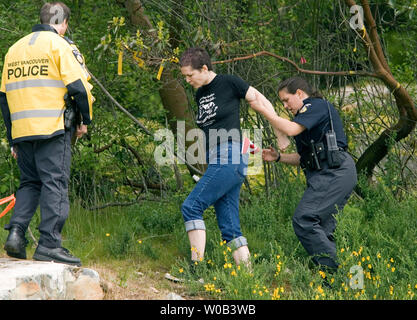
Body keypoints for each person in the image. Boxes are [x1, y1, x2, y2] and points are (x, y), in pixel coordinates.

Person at [0, 2, 94, 266]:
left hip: (22, 131)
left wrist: (12, 138)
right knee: (55, 182)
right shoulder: (60, 46)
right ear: (63, 23)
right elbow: (79, 87)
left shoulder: (14, 49)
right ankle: (50, 244)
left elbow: (4, 98)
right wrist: (85, 120)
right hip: (52, 128)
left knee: (30, 183)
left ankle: (17, 235)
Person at [179, 47, 289, 269]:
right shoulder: (200, 93)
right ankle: (248, 281)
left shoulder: (229, 82)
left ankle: (195, 270)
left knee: (191, 207)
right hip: (222, 158)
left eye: (190, 75)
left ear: (204, 68)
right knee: (230, 227)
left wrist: (280, 132)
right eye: (185, 77)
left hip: (228, 157)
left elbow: (260, 100)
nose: (188, 80)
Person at [261, 76, 357, 273]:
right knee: (322, 228)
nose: (286, 106)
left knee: (305, 218)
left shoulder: (316, 105)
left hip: (334, 171)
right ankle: (338, 281)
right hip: (326, 174)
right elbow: (303, 158)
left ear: (299, 94)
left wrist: (266, 111)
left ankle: (336, 274)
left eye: (286, 100)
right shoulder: (304, 121)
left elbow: (290, 129)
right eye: (282, 103)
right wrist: (278, 157)